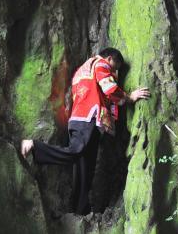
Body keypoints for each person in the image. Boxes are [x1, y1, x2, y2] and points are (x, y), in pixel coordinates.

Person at [20, 47, 150, 215]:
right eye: (115, 67)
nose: (114, 72)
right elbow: (109, 88)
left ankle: (80, 209)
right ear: (109, 58)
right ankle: (35, 146)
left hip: (82, 119)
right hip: (88, 118)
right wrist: (129, 97)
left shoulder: (82, 70)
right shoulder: (101, 64)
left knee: (85, 167)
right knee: (75, 152)